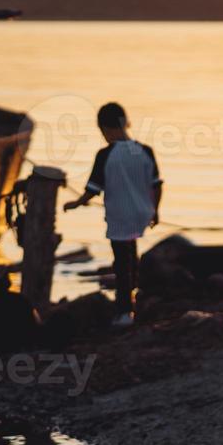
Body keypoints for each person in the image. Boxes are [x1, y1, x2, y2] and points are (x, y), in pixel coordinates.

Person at [65, 103, 163, 328]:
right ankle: (135, 296)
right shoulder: (145, 151)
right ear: (125, 123)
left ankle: (124, 311)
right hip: (142, 212)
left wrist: (76, 203)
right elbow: (156, 185)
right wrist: (156, 210)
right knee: (131, 253)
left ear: (105, 129)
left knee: (121, 262)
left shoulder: (105, 155)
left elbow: (92, 189)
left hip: (120, 215)